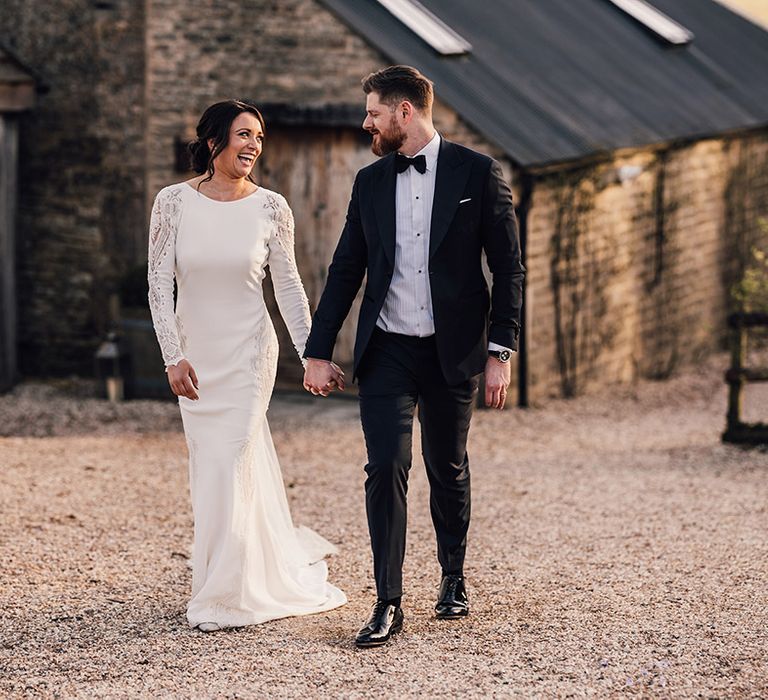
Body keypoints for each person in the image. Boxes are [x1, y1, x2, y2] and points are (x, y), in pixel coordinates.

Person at [303, 66, 524, 648]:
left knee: (447, 468)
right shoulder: (370, 182)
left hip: (453, 353)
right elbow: (346, 269)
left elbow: (508, 269)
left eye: (373, 112)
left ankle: (453, 577)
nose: (366, 122)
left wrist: (500, 350)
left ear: (405, 111)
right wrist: (318, 351)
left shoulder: (480, 173)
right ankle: (388, 601)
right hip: (388, 351)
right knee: (385, 469)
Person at [148, 99, 346, 632]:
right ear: (214, 142)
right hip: (196, 356)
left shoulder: (272, 207)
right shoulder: (172, 202)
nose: (254, 145)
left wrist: (312, 355)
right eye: (243, 135)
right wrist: (173, 356)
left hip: (248, 353)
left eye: (259, 136)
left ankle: (226, 594)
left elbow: (288, 288)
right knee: (209, 466)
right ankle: (221, 570)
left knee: (233, 456)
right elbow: (157, 285)